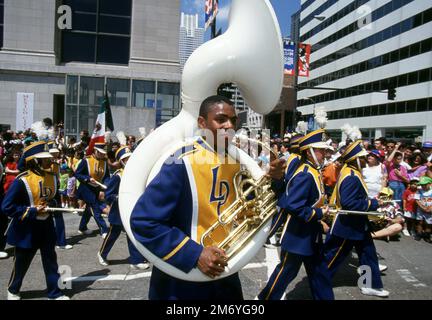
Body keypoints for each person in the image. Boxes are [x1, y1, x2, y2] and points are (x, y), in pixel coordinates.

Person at [129, 95, 285, 300]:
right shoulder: (180, 161)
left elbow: (254, 203)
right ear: (202, 123)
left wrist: (274, 180)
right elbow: (144, 221)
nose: (229, 125)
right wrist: (195, 254)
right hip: (183, 279)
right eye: (221, 120)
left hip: (226, 273)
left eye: (233, 121)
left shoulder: (237, 161)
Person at [258, 129, 334, 300]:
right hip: (297, 234)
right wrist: (318, 212)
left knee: (320, 273)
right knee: (285, 273)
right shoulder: (305, 174)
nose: (325, 153)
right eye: (321, 150)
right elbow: (293, 205)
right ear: (310, 152)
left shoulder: (312, 170)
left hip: (310, 233)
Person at [1, 141, 69, 300]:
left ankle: (55, 292)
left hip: (46, 226)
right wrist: (31, 210)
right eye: (45, 159)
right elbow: (6, 206)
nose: (49, 161)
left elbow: (54, 199)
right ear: (34, 161)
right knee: (21, 262)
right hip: (26, 228)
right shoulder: (22, 180)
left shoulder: (52, 177)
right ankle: (13, 289)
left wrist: (51, 204)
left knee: (50, 260)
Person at [323, 140, 389, 298]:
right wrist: (373, 203)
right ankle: (318, 280)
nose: (366, 160)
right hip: (347, 226)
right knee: (332, 257)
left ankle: (369, 285)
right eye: (363, 157)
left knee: (368, 255)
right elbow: (349, 203)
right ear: (356, 159)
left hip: (356, 225)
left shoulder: (351, 171)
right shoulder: (351, 176)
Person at [97, 146, 149, 270]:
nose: (129, 160)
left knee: (132, 233)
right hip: (118, 211)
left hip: (132, 209)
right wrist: (121, 197)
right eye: (126, 159)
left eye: (130, 157)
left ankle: (135, 260)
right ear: (121, 161)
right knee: (112, 235)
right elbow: (108, 195)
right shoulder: (118, 176)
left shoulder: (137, 174)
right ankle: (102, 253)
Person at [75, 142, 110, 237]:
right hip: (86, 189)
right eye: (100, 152)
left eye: (104, 153)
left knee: (88, 210)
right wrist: (87, 178)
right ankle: (104, 229)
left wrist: (103, 188)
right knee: (95, 208)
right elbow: (77, 174)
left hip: (97, 189)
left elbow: (106, 177)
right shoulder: (86, 161)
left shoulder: (105, 162)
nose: (103, 154)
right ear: (95, 151)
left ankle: (82, 228)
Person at [413, 176, 432, 242]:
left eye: (424, 184)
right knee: (419, 222)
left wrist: (430, 208)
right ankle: (419, 234)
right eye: (422, 185)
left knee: (429, 223)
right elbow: (417, 200)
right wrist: (422, 207)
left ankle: (427, 235)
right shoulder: (419, 191)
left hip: (430, 210)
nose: (423, 186)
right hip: (420, 209)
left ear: (429, 184)